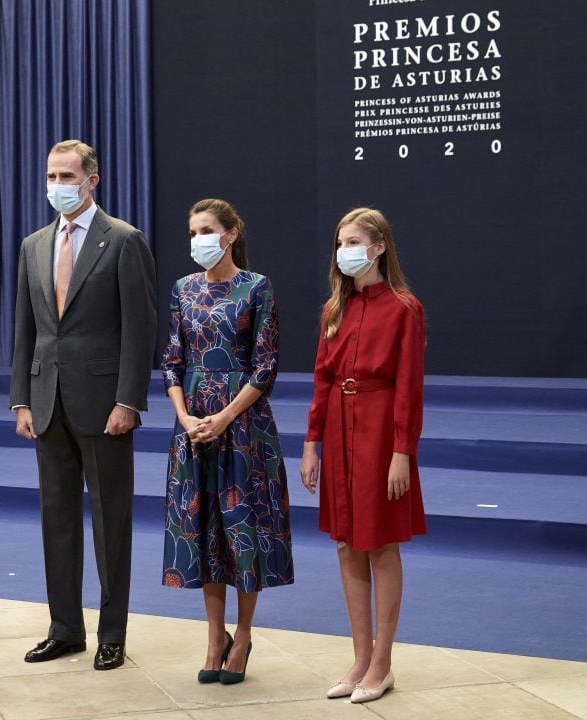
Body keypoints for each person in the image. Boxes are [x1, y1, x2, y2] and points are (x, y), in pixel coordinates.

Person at [11, 139, 157, 671]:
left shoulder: (123, 241)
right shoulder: (33, 246)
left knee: (111, 522)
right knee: (57, 520)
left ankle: (111, 634)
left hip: (105, 406)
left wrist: (129, 400)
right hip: (47, 402)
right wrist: (20, 399)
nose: (57, 185)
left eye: (67, 175)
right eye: (51, 175)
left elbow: (141, 332)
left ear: (92, 180)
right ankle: (65, 628)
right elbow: (26, 327)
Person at [161, 198, 294, 685]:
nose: (198, 239)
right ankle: (214, 636)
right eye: (193, 231)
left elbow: (265, 366)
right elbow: (172, 361)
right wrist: (184, 416)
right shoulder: (181, 289)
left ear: (231, 234)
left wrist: (224, 416)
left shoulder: (257, 288)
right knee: (205, 529)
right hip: (194, 426)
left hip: (242, 424)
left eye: (207, 230)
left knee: (242, 527)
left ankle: (243, 634)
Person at [299, 207, 426, 703]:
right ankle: (359, 656)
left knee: (381, 543)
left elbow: (408, 389)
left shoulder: (404, 307)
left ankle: (383, 662)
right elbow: (321, 378)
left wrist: (402, 452)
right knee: (346, 542)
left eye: (353, 241)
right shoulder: (335, 308)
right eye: (339, 242)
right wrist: (311, 444)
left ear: (377, 248)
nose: (343, 250)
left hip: (379, 431)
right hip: (338, 427)